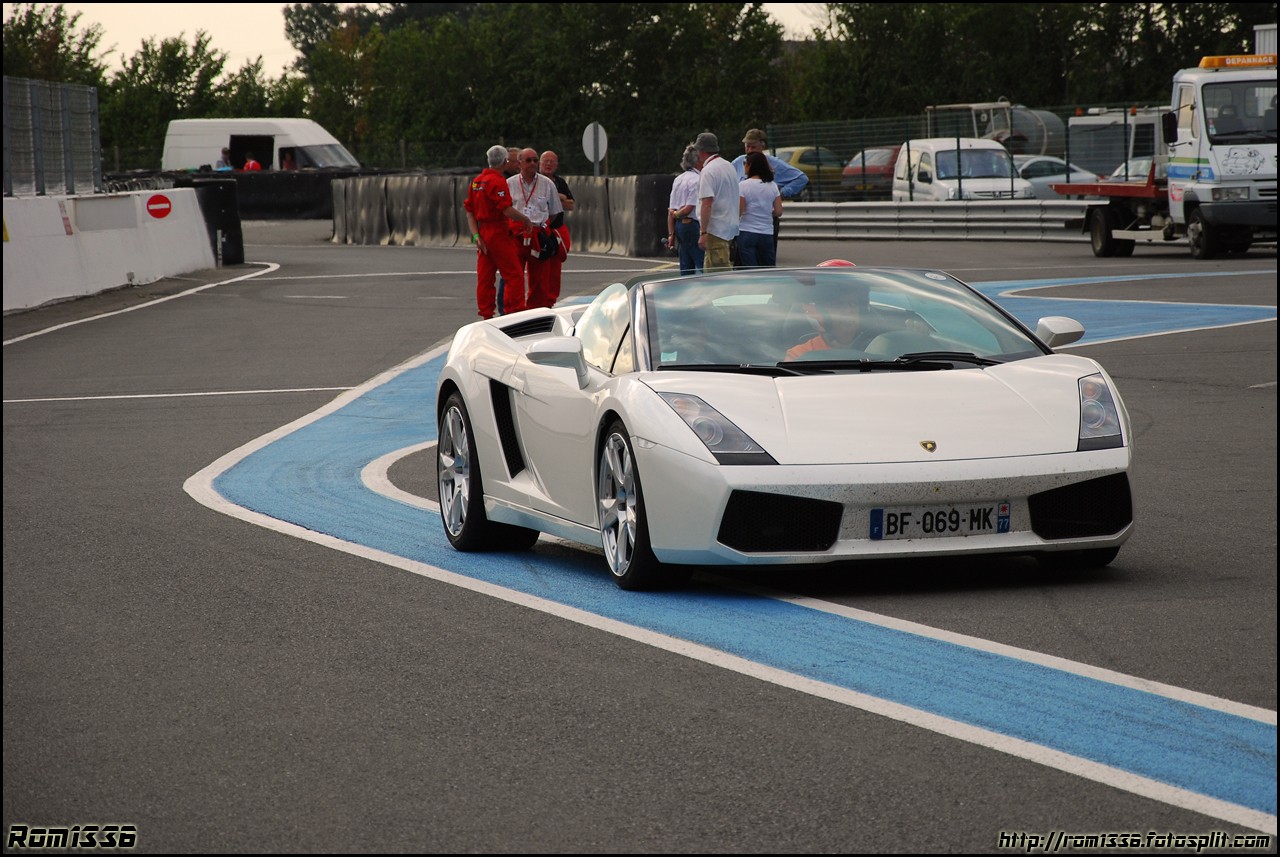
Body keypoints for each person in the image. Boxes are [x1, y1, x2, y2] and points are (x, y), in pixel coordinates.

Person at [464, 144, 536, 319]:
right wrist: (525, 219)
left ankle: (486, 314)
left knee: (485, 276)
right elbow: (506, 210)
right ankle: (515, 311)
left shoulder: (476, 182)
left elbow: (470, 211)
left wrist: (476, 235)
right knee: (514, 274)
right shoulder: (497, 181)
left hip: (482, 233)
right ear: (504, 162)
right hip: (498, 232)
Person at [732, 128, 808, 255]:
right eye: (747, 147)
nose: (750, 150)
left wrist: (781, 193)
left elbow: (801, 178)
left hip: (765, 220)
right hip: (744, 221)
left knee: (765, 261)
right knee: (744, 262)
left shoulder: (774, 164)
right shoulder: (739, 162)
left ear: (762, 146)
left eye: (753, 147)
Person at [507, 147, 564, 309]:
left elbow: (554, 212)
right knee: (514, 276)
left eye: (535, 160)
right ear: (519, 163)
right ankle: (513, 312)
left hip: (538, 235)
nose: (533, 163)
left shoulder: (547, 184)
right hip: (516, 235)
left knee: (539, 279)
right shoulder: (509, 184)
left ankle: (535, 312)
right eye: (528, 160)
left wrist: (541, 224)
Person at [784, 276, 869, 361]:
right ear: (821, 313)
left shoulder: (878, 348)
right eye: (838, 305)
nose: (848, 311)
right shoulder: (798, 355)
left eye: (852, 303)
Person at [694, 132, 739, 272]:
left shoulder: (708, 171)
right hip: (729, 225)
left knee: (717, 272)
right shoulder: (728, 166)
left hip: (715, 229)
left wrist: (703, 232)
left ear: (701, 151)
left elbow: (707, 203)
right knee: (713, 268)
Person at [539, 150, 574, 306]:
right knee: (539, 267)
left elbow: (570, 204)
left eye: (552, 161)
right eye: (545, 161)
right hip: (538, 230)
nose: (548, 164)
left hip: (556, 230)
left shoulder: (560, 182)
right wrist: (560, 197)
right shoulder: (535, 181)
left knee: (555, 267)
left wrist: (557, 197)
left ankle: (550, 300)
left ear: (557, 165)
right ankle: (537, 301)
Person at [737, 151, 782, 268]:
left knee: (750, 270)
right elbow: (778, 211)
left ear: (750, 165)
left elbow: (739, 211)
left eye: (744, 163)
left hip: (747, 231)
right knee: (768, 270)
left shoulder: (743, 185)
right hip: (766, 232)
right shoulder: (773, 185)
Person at [666, 144, 704, 275]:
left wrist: (671, 234)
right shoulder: (698, 180)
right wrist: (677, 214)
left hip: (679, 227)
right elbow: (689, 208)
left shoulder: (678, 179)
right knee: (701, 264)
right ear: (698, 160)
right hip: (693, 225)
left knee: (686, 265)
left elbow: (670, 210)